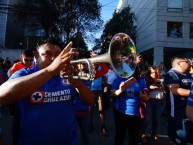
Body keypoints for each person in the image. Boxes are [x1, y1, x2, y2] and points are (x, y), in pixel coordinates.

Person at [0, 38, 94, 145]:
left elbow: (90, 101)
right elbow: (2, 96)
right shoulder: (25, 73)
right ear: (36, 55)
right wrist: (50, 71)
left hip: (68, 141)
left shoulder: (68, 74)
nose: (54, 58)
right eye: (47, 54)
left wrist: (78, 84)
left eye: (58, 54)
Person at [73, 51, 108, 145]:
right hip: (71, 110)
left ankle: (102, 127)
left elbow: (105, 70)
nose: (83, 65)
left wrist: (98, 59)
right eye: (80, 62)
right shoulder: (71, 72)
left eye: (85, 62)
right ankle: (91, 126)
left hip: (84, 109)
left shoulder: (91, 73)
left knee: (84, 136)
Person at [111, 64, 149, 145]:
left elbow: (146, 96)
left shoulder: (141, 80)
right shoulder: (118, 79)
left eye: (132, 69)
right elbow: (113, 93)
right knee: (120, 135)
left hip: (136, 114)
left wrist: (144, 97)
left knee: (134, 137)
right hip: (121, 112)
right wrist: (121, 89)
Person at [164, 55, 193, 145]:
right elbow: (175, 90)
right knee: (178, 141)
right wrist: (192, 93)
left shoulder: (188, 75)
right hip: (177, 116)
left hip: (190, 114)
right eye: (188, 61)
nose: (190, 63)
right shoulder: (171, 74)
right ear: (180, 63)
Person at [140, 65, 165, 144]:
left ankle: (154, 134)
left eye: (155, 72)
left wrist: (161, 87)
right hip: (150, 101)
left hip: (160, 101)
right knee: (146, 119)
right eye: (151, 73)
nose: (153, 74)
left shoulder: (161, 79)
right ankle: (142, 133)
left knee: (156, 120)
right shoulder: (146, 80)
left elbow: (166, 89)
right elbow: (142, 90)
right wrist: (149, 87)